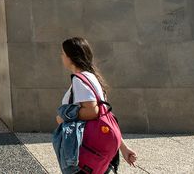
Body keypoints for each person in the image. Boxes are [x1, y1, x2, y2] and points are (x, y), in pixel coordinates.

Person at [56, 37, 138, 172]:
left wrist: (64, 117)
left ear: (71, 57)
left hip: (86, 150)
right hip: (98, 149)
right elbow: (105, 116)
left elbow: (93, 112)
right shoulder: (92, 77)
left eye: (63, 53)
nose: (61, 56)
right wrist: (123, 148)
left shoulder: (79, 79)